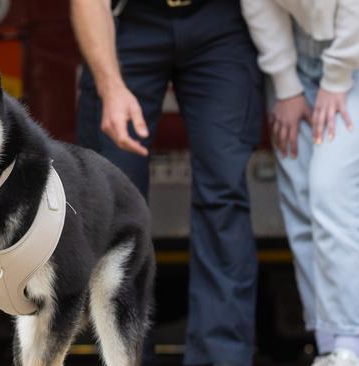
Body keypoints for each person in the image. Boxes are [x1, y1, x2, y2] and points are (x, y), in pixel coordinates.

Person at [71, 0, 262, 365]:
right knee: (115, 206)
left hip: (221, 24)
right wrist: (110, 87)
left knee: (225, 194)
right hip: (128, 20)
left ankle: (223, 357)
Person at [241, 1, 359, 365]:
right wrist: (286, 86)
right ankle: (329, 346)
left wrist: (337, 77)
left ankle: (348, 348)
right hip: (292, 52)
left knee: (331, 190)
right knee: (301, 201)